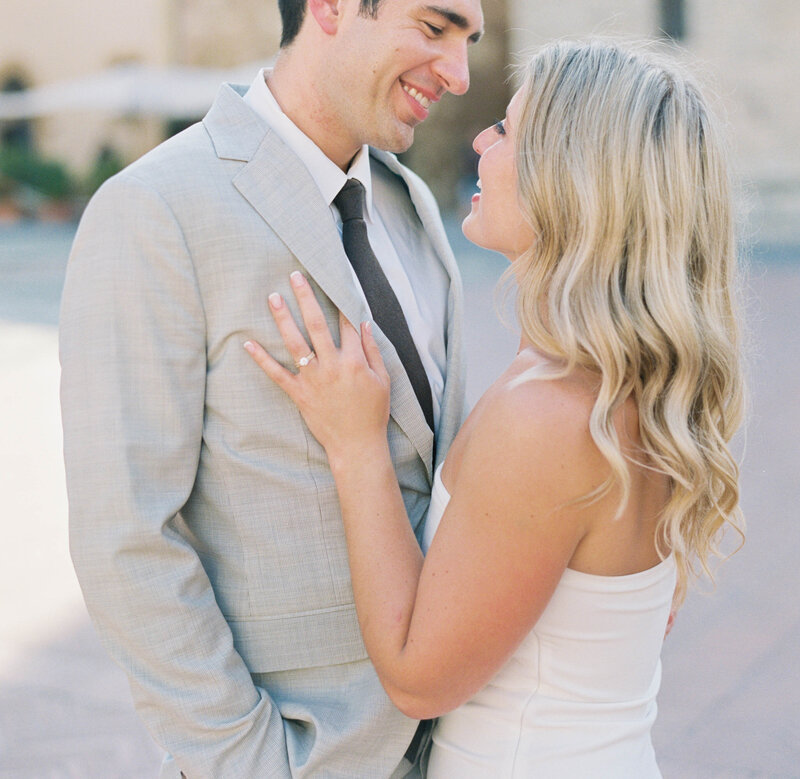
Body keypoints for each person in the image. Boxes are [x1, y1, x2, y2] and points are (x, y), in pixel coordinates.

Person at [60, 0, 508, 778]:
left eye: (469, 42)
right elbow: (126, 537)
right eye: (434, 29)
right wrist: (250, 760)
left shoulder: (412, 203)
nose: (458, 75)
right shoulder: (153, 209)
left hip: (459, 747)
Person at [246, 39, 745, 778]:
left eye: (507, 130)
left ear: (573, 180)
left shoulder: (552, 414)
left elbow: (419, 679)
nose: (481, 139)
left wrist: (356, 445)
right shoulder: (630, 384)